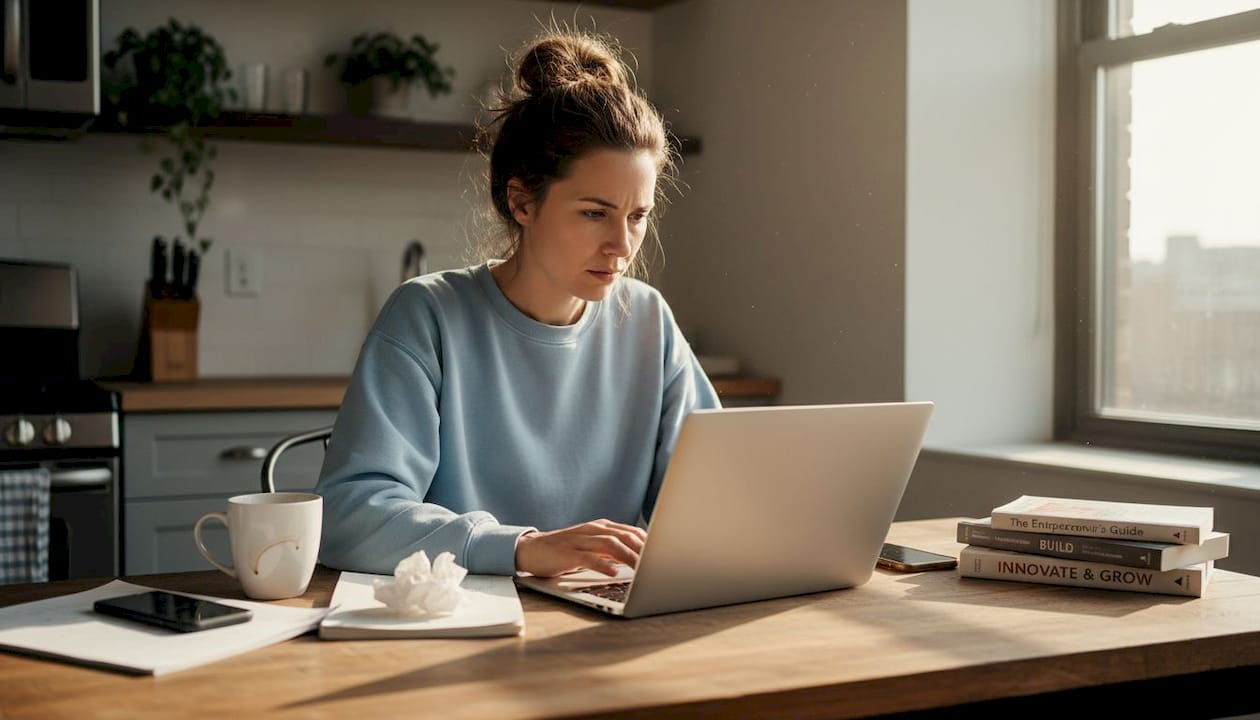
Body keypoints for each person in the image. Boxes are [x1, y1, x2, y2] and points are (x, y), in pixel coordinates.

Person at [315, 27, 720, 579]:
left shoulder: (649, 321)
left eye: (637, 216)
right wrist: (521, 548)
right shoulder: (427, 316)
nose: (622, 246)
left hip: (602, 623)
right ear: (522, 201)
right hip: (458, 624)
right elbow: (346, 516)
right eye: (595, 213)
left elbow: (714, 499)